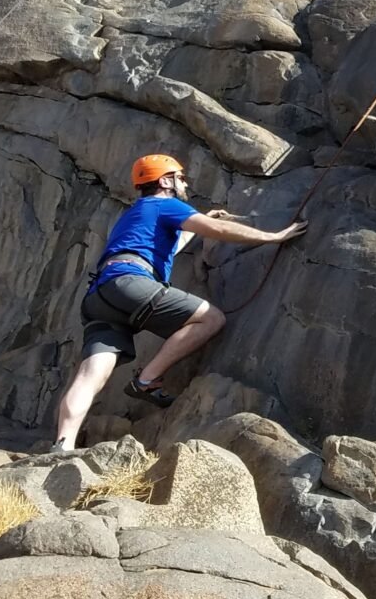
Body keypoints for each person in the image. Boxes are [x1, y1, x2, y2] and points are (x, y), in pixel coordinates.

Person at [52, 154, 306, 451]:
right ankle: (146, 380)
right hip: (131, 282)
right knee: (211, 319)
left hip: (100, 295)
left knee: (91, 374)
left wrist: (198, 224)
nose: (185, 182)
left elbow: (170, 247)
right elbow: (221, 231)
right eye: (180, 177)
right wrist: (273, 236)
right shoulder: (165, 204)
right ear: (164, 181)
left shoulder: (137, 213)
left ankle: (62, 445)